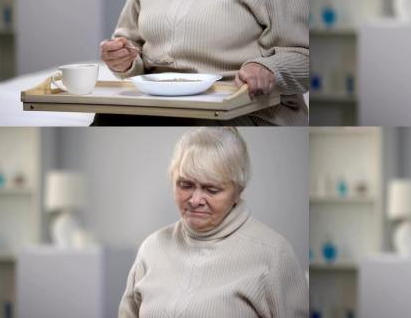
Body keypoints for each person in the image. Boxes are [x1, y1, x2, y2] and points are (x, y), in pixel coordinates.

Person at [98, 0, 309, 126]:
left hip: (240, 109)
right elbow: (128, 40)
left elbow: (305, 58)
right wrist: (123, 59)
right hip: (157, 105)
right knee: (106, 118)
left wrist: (268, 69)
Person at [118, 128, 308, 317]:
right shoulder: (152, 248)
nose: (195, 200)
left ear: (238, 190)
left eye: (211, 189)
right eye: (185, 185)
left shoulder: (274, 255)